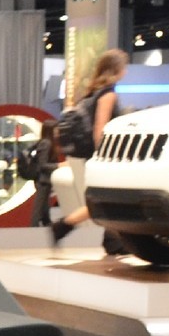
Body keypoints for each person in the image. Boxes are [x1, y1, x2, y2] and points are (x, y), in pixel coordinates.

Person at [49, 47, 127, 244]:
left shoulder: (92, 93)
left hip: (91, 156)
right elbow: (100, 128)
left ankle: (108, 238)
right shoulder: (108, 95)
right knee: (111, 198)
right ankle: (67, 226)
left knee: (108, 199)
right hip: (102, 156)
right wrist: (104, 157)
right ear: (116, 69)